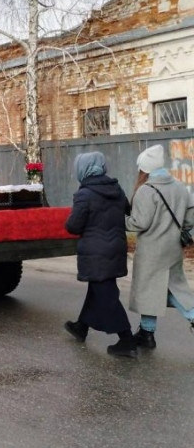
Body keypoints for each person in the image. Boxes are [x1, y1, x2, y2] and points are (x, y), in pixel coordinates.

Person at [63, 152, 136, 358]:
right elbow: (127, 210)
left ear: (83, 169)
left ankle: (127, 339)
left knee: (106, 295)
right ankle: (81, 327)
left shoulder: (84, 194)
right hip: (115, 248)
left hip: (95, 252)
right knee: (98, 288)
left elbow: (73, 226)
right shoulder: (117, 189)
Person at [126, 144, 194, 349]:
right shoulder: (179, 186)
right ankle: (147, 334)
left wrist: (121, 220)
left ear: (144, 168)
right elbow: (190, 219)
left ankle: (151, 332)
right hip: (173, 249)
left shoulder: (146, 190)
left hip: (151, 252)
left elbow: (139, 223)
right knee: (170, 288)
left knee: (152, 290)